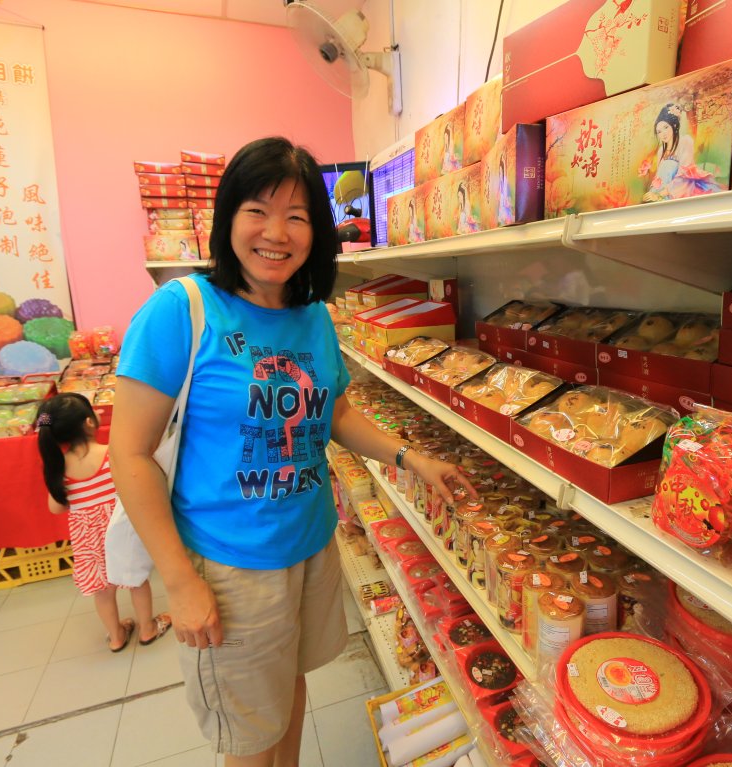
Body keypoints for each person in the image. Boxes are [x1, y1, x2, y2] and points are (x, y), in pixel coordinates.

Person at [109, 136, 476, 767]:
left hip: (309, 546)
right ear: (228, 218)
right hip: (228, 567)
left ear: (317, 232)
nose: (275, 232)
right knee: (249, 739)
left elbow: (334, 412)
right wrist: (178, 579)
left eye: (297, 216)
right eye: (257, 210)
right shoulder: (181, 309)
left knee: (291, 694)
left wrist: (410, 458)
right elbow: (130, 455)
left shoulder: (313, 316)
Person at [36, 393, 171, 652]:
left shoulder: (58, 467)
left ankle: (117, 635)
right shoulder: (113, 454)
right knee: (135, 579)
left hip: (88, 539)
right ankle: (147, 628)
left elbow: (55, 508)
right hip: (120, 531)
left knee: (102, 589)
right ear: (89, 421)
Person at [641, 103, 722, 202]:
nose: (663, 134)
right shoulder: (661, 150)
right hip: (661, 192)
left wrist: (659, 195)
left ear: (674, 125)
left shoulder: (685, 142)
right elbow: (659, 178)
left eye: (666, 127)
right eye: (659, 131)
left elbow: (684, 174)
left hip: (681, 190)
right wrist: (652, 193)